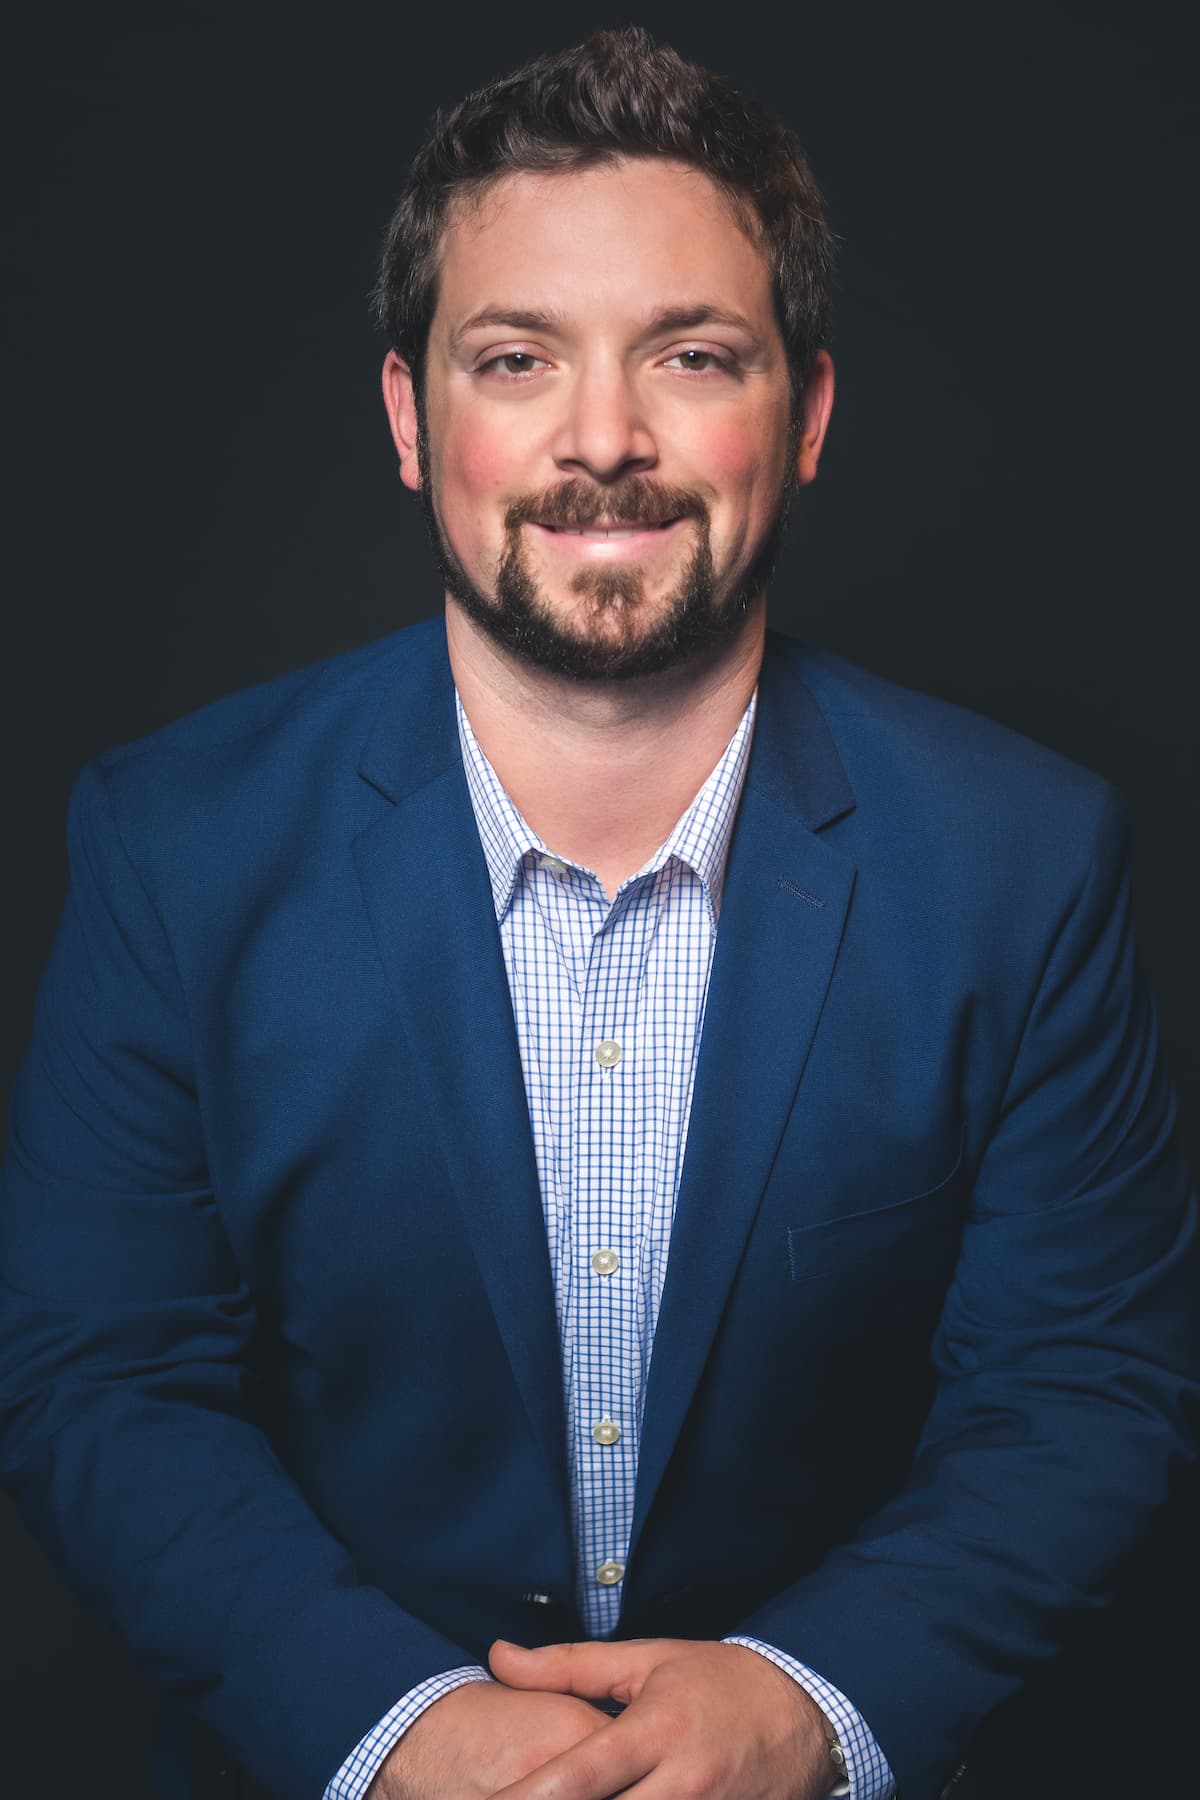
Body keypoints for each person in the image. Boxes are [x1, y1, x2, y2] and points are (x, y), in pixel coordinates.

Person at [0, 25, 1195, 1800]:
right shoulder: (174, 844)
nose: (605, 440)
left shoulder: (1026, 860)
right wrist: (396, 1728)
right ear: (410, 420)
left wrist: (808, 1703)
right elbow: (100, 1376)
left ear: (807, 414)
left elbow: (1084, 1386)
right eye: (516, 359)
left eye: (693, 355)